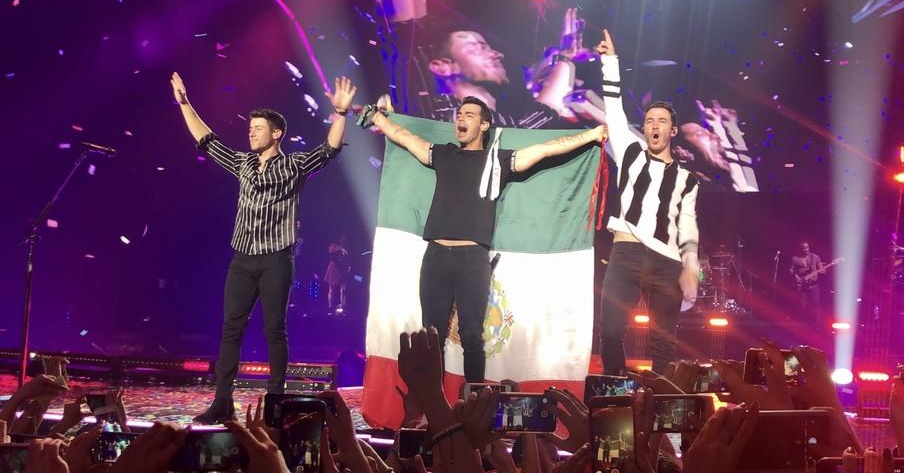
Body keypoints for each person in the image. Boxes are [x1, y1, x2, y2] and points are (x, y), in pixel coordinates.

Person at [363, 95, 606, 382]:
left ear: (484, 125)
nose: (461, 118)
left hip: (472, 260)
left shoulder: (497, 161)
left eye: (469, 115)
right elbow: (404, 137)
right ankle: (430, 402)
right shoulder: (443, 154)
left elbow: (545, 149)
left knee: (471, 336)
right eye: (459, 114)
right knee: (431, 337)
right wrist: (375, 117)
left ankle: (475, 400)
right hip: (436, 257)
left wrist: (592, 134)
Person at [171, 72, 357, 423]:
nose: (251, 132)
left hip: (276, 259)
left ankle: (275, 400)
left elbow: (328, 150)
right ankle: (222, 401)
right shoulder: (242, 163)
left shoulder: (293, 165)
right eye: (250, 128)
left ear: (277, 133)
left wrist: (342, 114)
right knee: (231, 329)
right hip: (242, 259)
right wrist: (184, 103)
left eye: (258, 128)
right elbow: (207, 140)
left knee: (275, 329)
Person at [596, 29, 752, 376]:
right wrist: (610, 62)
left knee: (663, 340)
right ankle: (615, 392)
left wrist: (690, 268)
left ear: (672, 131)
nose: (654, 125)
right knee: (611, 330)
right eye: (649, 120)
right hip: (626, 252)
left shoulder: (687, 179)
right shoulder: (630, 152)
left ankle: (658, 397)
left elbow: (687, 226)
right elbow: (614, 109)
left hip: (666, 260)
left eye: (662, 121)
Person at [421, 8, 593, 128]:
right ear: (443, 68)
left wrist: (563, 57)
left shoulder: (498, 118)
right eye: (476, 48)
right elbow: (523, 135)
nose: (497, 54)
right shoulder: (449, 119)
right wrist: (563, 58)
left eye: (488, 47)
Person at [790, 241, 826, 319]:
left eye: (807, 247)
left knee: (815, 304)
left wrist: (823, 270)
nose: (806, 249)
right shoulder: (795, 258)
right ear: (800, 249)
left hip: (813, 285)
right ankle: (804, 322)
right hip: (802, 285)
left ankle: (816, 323)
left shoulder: (815, 257)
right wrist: (795, 275)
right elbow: (791, 269)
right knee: (802, 305)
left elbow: (821, 268)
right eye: (804, 248)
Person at [324, 236, 349, 314]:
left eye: (345, 239)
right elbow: (332, 256)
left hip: (342, 269)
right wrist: (338, 252)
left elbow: (347, 259)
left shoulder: (345, 248)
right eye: (342, 238)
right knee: (332, 288)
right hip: (334, 269)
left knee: (342, 288)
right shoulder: (333, 246)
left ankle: (341, 305)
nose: (343, 240)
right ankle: (330, 306)